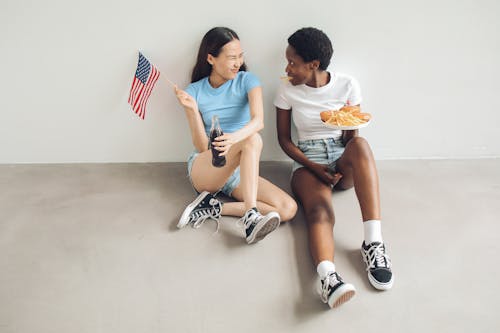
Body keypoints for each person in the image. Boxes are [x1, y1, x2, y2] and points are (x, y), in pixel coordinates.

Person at [274, 27, 393, 308]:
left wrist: (343, 157)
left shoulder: (348, 85)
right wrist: (314, 167)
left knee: (361, 147)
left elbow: (353, 130)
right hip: (307, 158)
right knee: (319, 211)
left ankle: (373, 244)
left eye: (292, 62)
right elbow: (283, 139)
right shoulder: (287, 90)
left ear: (313, 64)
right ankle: (329, 278)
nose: (287, 68)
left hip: (341, 153)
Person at [174, 27, 297, 244]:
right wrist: (193, 111)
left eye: (240, 56)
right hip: (208, 168)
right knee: (252, 139)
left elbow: (258, 121)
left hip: (241, 170)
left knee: (288, 209)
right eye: (232, 57)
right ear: (210, 58)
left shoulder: (248, 80)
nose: (237, 62)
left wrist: (232, 139)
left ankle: (213, 207)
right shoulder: (194, 91)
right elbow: (203, 148)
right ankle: (251, 215)